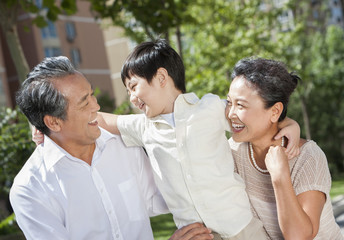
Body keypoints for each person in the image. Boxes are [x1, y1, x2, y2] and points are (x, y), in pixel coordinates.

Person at [95, 39, 301, 239]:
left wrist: (291, 124)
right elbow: (102, 119)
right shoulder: (142, 127)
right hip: (197, 235)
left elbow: (255, 117)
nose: (131, 97)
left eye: (133, 86)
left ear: (161, 78)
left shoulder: (210, 108)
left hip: (241, 227)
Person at [10, 56, 212, 240]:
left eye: (91, 95)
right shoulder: (30, 190)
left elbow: (163, 197)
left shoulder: (123, 145)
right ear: (53, 123)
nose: (96, 106)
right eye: (84, 103)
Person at [226, 58, 344, 239]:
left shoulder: (308, 157)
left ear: (275, 111)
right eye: (229, 102)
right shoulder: (233, 151)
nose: (230, 113)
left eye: (240, 105)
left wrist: (280, 176)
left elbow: (299, 236)